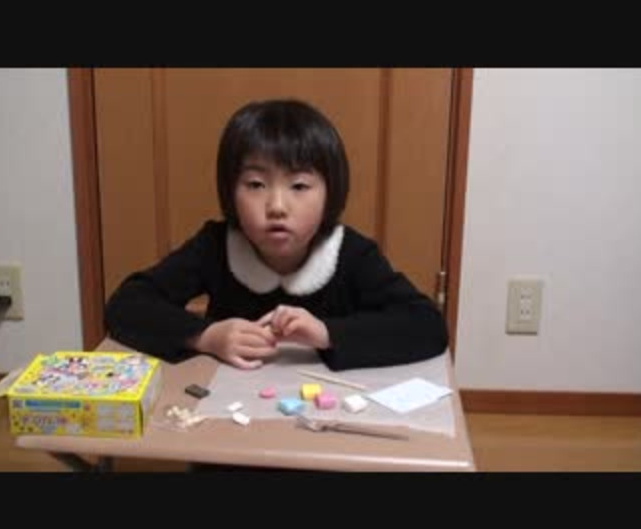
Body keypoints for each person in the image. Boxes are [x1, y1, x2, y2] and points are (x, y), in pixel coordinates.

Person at [104, 99, 448, 372]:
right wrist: (206, 336)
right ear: (230, 192)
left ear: (331, 193)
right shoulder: (215, 245)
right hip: (228, 410)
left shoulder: (351, 254)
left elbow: (427, 326)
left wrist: (327, 333)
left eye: (299, 185)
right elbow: (127, 305)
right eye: (256, 184)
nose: (277, 206)